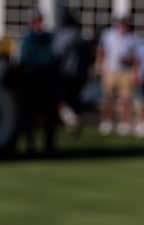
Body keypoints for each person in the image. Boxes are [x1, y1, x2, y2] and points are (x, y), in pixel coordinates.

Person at [17, 13, 57, 153]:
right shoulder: (27, 39)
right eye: (35, 22)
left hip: (46, 83)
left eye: (39, 22)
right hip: (31, 83)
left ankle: (49, 145)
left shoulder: (48, 38)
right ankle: (30, 144)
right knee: (30, 117)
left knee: (48, 117)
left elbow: (53, 59)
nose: (38, 25)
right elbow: (22, 61)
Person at [97, 15, 138, 135]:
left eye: (125, 24)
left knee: (126, 99)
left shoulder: (132, 38)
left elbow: (136, 57)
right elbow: (101, 50)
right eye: (121, 24)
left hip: (126, 71)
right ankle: (106, 121)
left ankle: (124, 123)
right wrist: (99, 65)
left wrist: (130, 64)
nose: (123, 27)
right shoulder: (108, 35)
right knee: (107, 98)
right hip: (110, 70)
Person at [52, 10, 89, 134]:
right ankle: (72, 126)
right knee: (73, 101)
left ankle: (72, 120)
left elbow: (57, 53)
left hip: (66, 74)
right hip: (79, 74)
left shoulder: (64, 35)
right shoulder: (80, 36)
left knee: (60, 101)